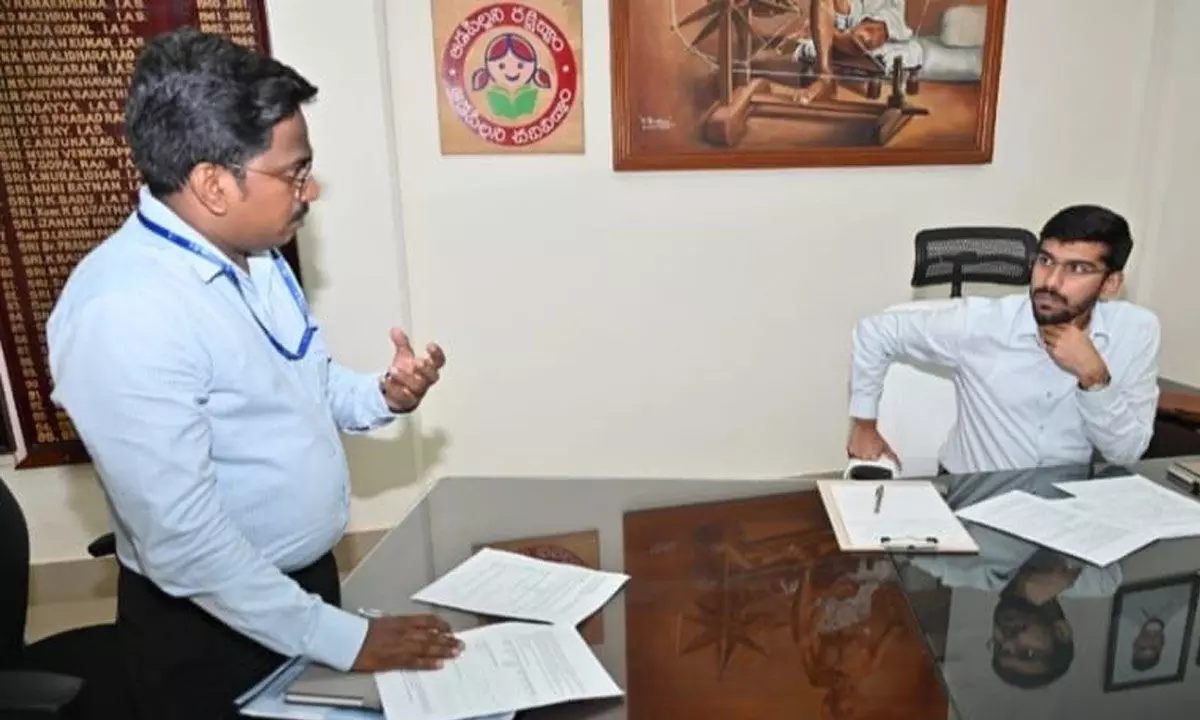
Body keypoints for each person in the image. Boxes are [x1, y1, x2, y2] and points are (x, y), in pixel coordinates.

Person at [46, 28, 462, 720]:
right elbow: (185, 544)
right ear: (213, 183)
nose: (310, 190)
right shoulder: (124, 311)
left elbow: (301, 384)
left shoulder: (255, 258)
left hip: (297, 592)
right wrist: (348, 640)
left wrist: (379, 396)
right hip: (210, 628)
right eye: (293, 172)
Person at [846, 204, 1161, 474]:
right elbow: (875, 331)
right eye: (1046, 261)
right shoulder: (982, 324)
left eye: (1077, 269)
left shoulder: (1135, 331)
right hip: (975, 494)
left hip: (1065, 504)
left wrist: (1094, 378)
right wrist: (864, 425)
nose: (1050, 282)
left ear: (1110, 284)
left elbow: (1126, 454)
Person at [788, 0, 913, 104]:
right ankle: (825, 77)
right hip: (853, 7)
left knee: (864, 37)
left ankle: (829, 33)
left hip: (883, 10)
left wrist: (826, 30)